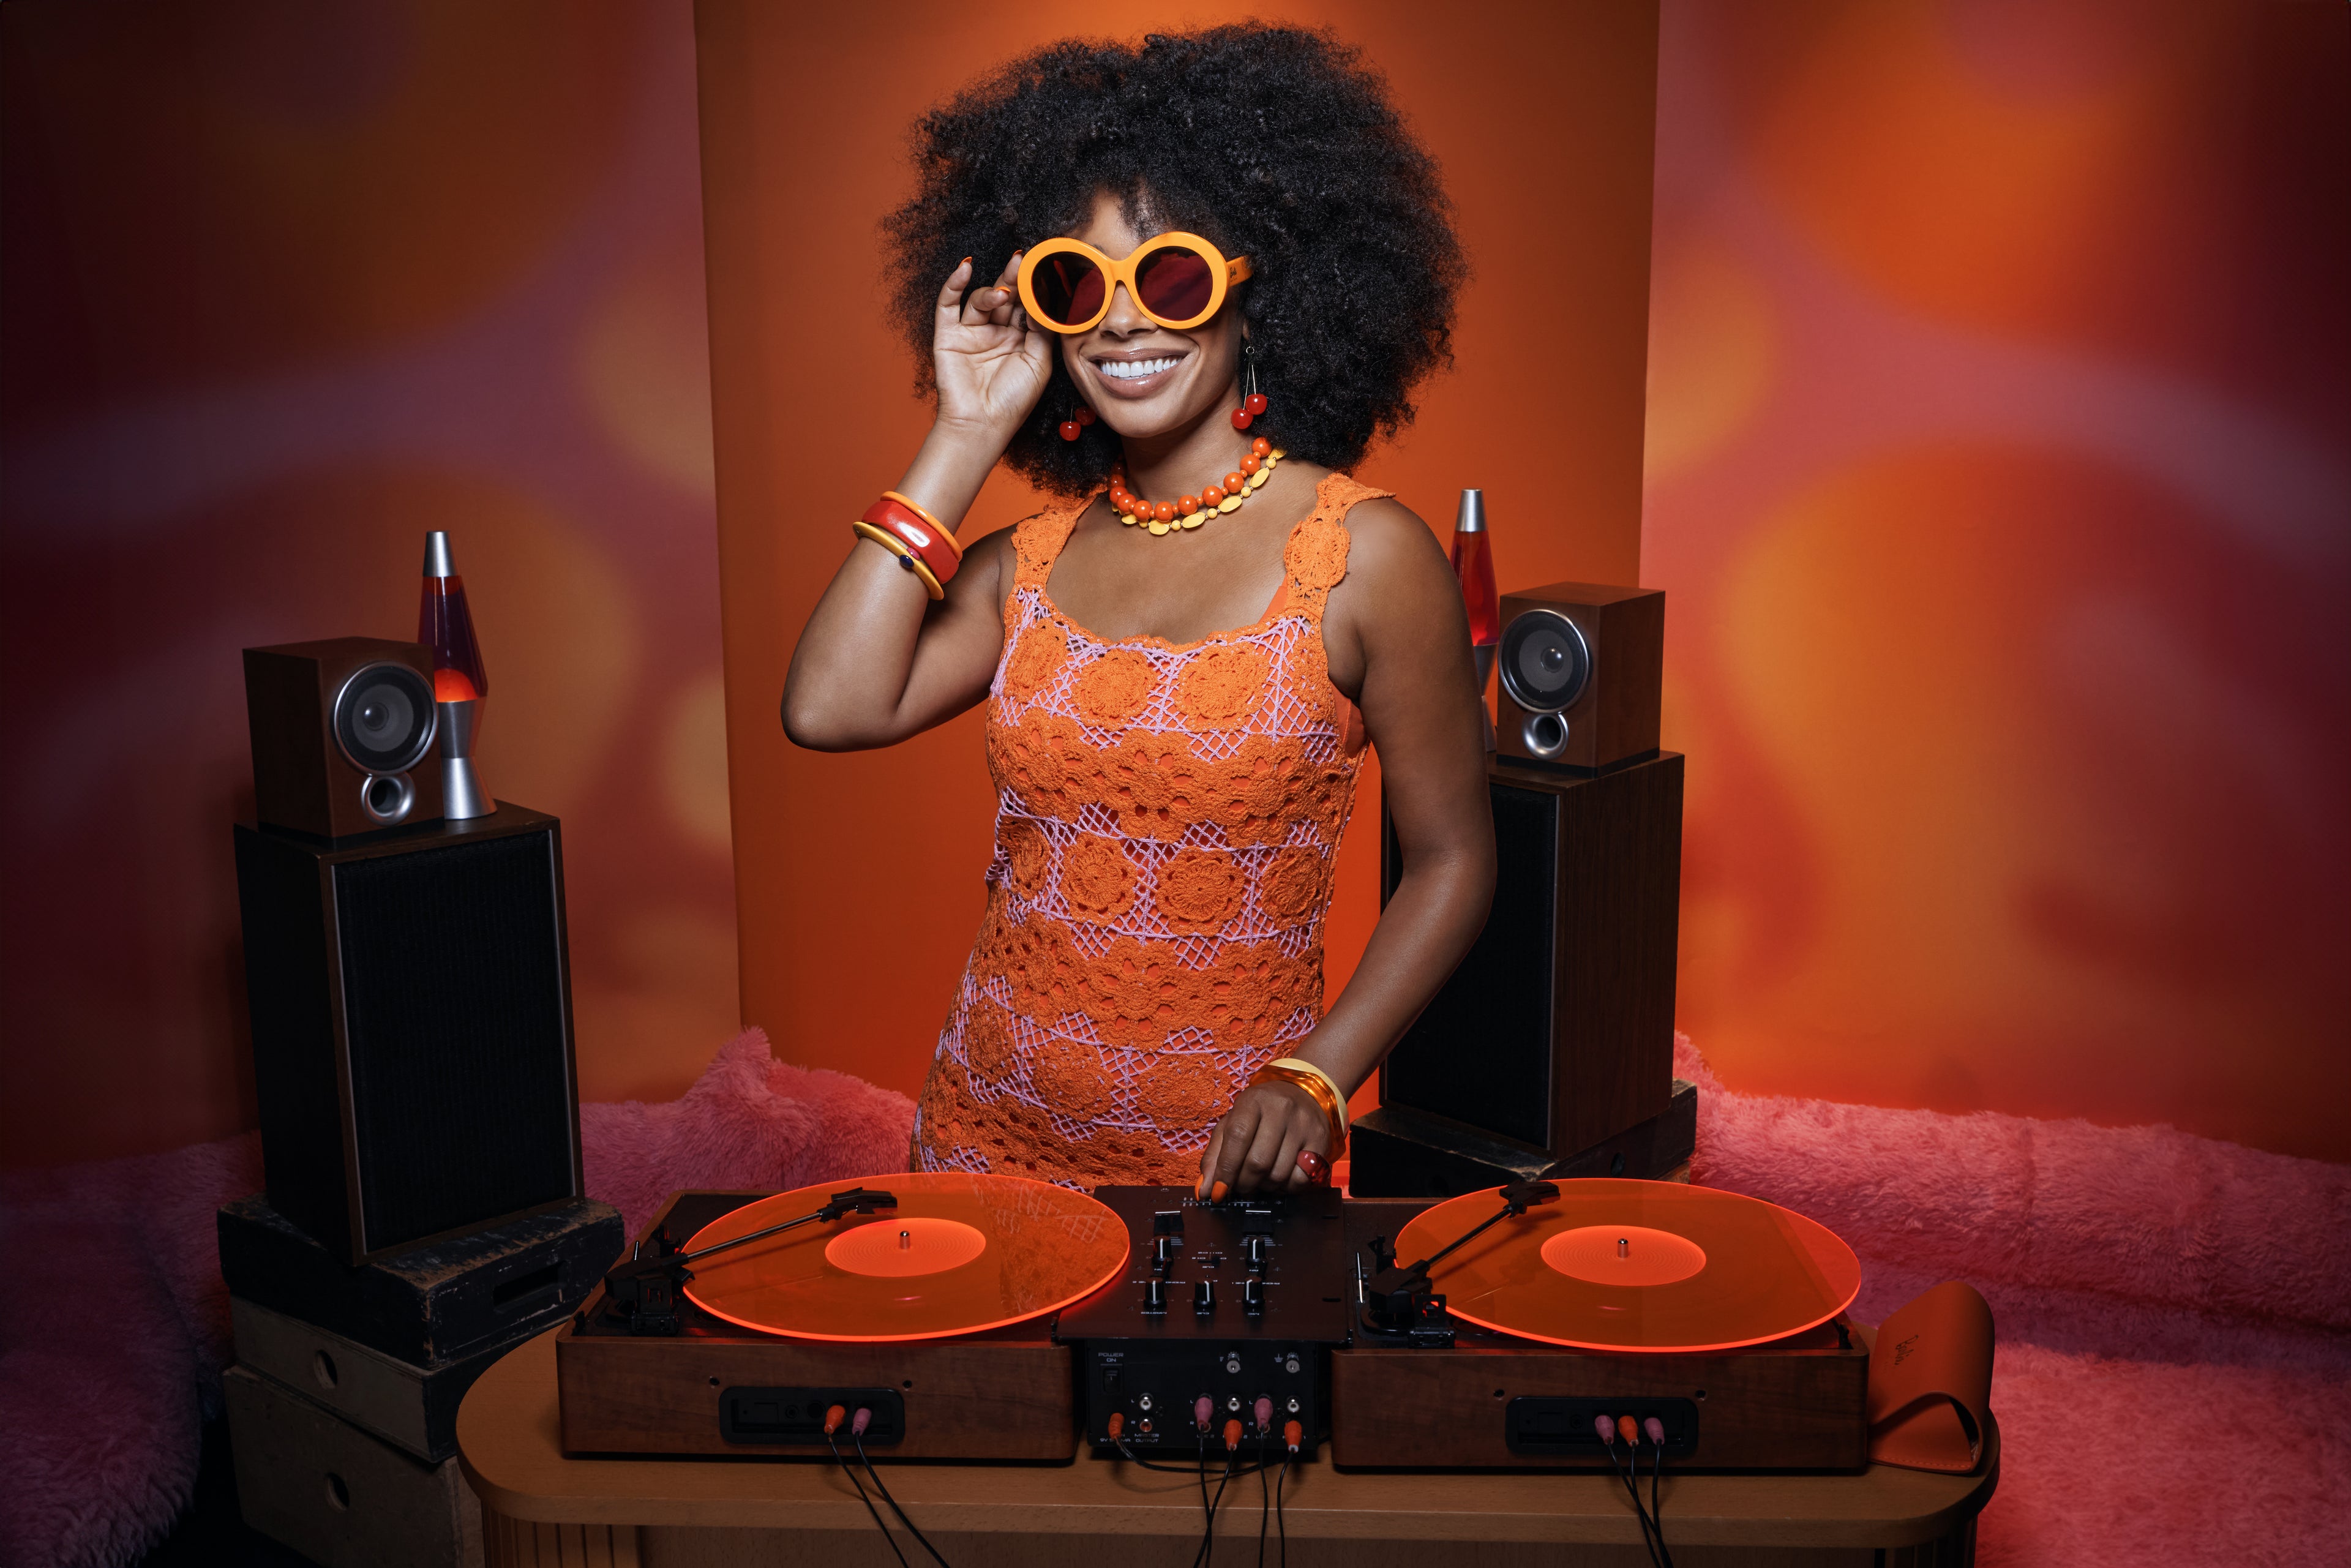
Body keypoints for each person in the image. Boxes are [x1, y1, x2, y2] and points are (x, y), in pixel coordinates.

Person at [784, 24, 1493, 1197]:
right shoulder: (1027, 564)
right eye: (1077, 283)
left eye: (1169, 276)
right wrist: (966, 432)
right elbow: (827, 706)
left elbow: (1457, 860)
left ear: (1258, 292)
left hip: (1226, 1168)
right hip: (983, 1135)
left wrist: (1319, 1077)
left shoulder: (1367, 555)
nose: (1121, 320)